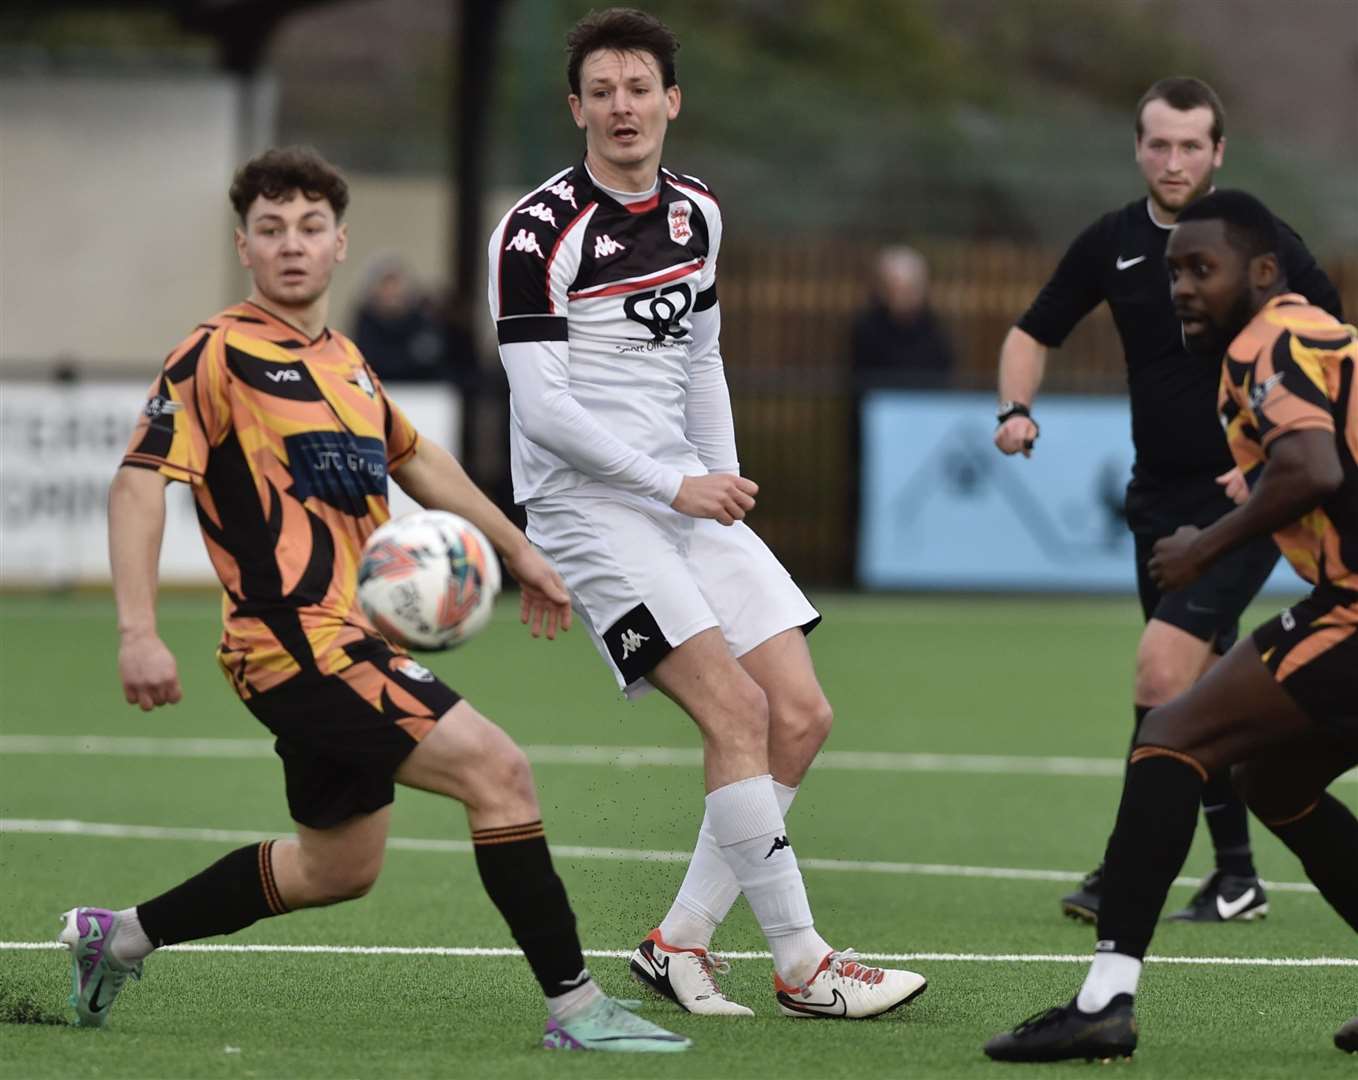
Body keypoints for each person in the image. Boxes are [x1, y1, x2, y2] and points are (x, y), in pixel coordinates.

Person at [59, 146, 690, 1054]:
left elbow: (419, 460)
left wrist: (521, 550)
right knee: (499, 772)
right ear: (244, 246)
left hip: (353, 643)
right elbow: (136, 483)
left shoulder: (347, 361)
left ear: (340, 242)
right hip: (295, 646)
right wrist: (136, 631)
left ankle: (114, 939)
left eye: (310, 228)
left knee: (336, 868)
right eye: (271, 230)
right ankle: (578, 1009)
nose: (292, 245)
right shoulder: (214, 355)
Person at [487, 8, 927, 1019]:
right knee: (735, 712)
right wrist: (669, 483)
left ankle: (675, 942)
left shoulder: (698, 215)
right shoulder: (535, 230)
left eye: (638, 87)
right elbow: (542, 408)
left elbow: (700, 355)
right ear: (576, 109)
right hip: (588, 506)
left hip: (683, 495)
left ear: (670, 101)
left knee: (801, 716)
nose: (621, 106)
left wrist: (716, 486)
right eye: (600, 91)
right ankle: (803, 966)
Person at [985, 189, 1358, 1063]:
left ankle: (1104, 1001)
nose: (1181, 287)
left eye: (1202, 269)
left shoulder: (1275, 336)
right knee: (1273, 780)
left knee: (1171, 735)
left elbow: (1312, 466)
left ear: (1263, 274)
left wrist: (1205, 546)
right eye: (1173, 272)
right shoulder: (1316, 337)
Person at [850, 246, 954, 391]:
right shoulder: (867, 331)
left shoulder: (937, 332)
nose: (903, 297)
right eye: (897, 289)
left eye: (910, 289)